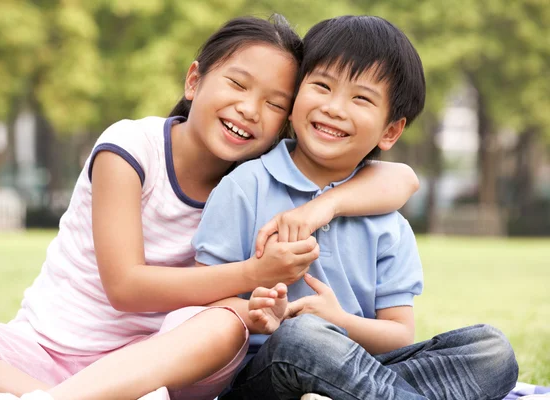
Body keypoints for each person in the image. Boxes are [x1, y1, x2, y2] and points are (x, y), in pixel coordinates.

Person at [0, 15, 420, 400]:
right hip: (43, 348)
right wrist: (256, 273)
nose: (250, 110)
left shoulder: (256, 174)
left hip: (165, 359)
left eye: (274, 103)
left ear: (289, 119)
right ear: (194, 79)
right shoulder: (131, 147)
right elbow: (126, 287)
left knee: (225, 325)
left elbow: (402, 178)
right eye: (237, 84)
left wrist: (326, 206)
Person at [192, 15, 519, 400]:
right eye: (322, 86)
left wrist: (340, 322)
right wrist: (266, 316)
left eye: (361, 98)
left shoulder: (386, 217)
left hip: (361, 371)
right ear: (295, 96)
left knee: (492, 351)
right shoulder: (246, 186)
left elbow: (398, 334)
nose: (334, 107)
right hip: (267, 375)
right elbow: (203, 299)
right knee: (304, 337)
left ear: (390, 131)